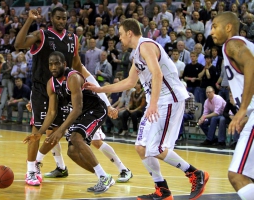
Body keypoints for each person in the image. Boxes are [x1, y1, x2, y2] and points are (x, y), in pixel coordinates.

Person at [84, 18, 209, 200]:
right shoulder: (136, 54)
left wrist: (152, 104)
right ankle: (162, 190)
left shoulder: (146, 45)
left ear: (129, 33)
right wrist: (100, 89)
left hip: (168, 99)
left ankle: (196, 174)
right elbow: (129, 82)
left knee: (155, 148)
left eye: (120, 34)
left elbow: (157, 73)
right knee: (141, 148)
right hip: (157, 101)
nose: (119, 38)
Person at [15, 7, 117, 186]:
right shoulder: (42, 34)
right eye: (58, 18)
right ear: (51, 18)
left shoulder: (73, 39)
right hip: (41, 89)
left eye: (64, 18)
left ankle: (41, 162)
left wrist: (96, 91)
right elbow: (18, 44)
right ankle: (31, 171)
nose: (61, 21)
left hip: (62, 90)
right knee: (37, 130)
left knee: (55, 133)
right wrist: (30, 20)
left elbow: (78, 66)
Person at [24, 51, 115, 193]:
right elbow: (52, 112)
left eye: (56, 63)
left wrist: (60, 130)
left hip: (95, 109)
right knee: (72, 152)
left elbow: (77, 108)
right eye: (51, 64)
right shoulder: (51, 83)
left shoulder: (73, 77)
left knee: (76, 138)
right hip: (80, 114)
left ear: (64, 64)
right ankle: (103, 176)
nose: (53, 67)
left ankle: (104, 176)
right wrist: (39, 133)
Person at [210, 11, 254, 199]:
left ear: (228, 27)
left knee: (238, 175)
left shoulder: (232, 43)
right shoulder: (246, 44)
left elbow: (252, 64)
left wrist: (243, 108)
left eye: (214, 26)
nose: (211, 32)